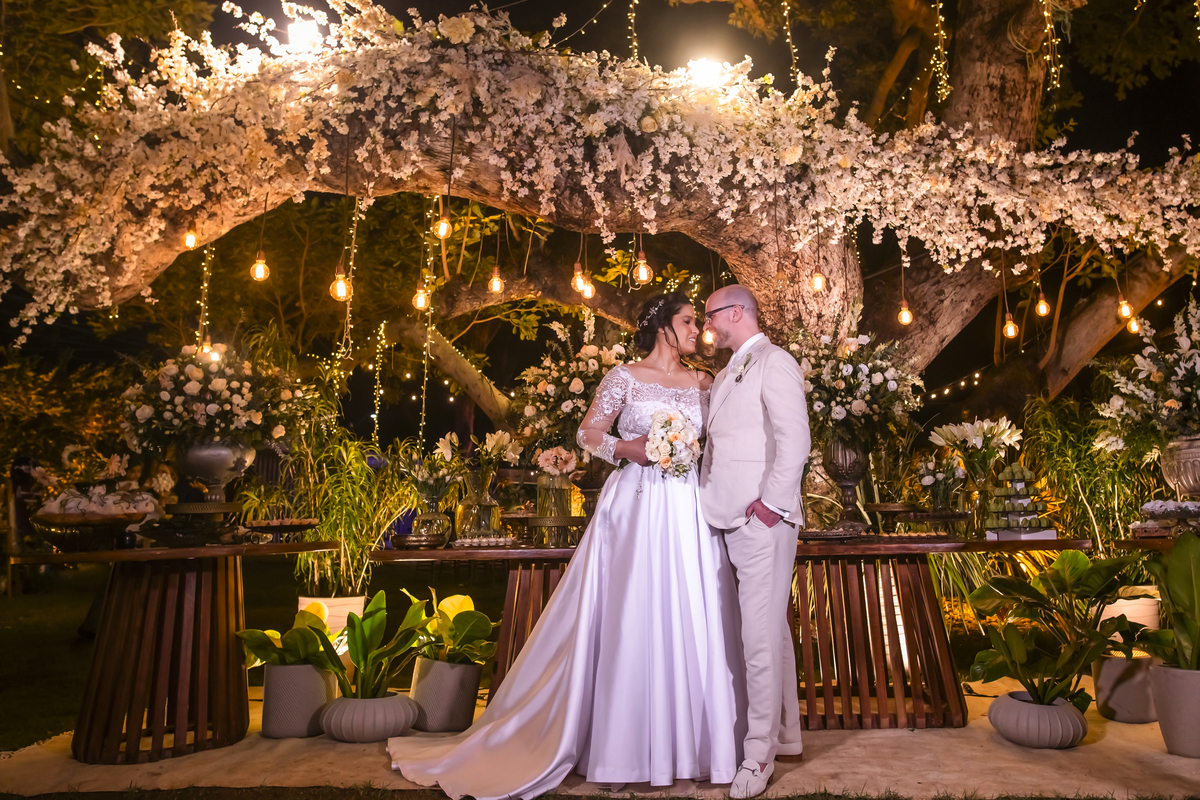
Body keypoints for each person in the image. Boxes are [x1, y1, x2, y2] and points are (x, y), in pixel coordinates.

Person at [388, 291, 747, 799]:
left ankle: (697, 746)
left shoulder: (704, 383)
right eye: (689, 321)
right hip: (636, 506)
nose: (698, 331)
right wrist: (632, 449)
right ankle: (622, 746)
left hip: (690, 509)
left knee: (694, 610)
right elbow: (588, 433)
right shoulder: (623, 377)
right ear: (663, 327)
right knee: (632, 614)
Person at [699, 284, 810, 799]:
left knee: (758, 639)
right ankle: (785, 736)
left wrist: (771, 506)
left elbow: (795, 440)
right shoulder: (724, 373)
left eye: (711, 315)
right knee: (770, 633)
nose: (707, 325)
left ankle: (757, 755)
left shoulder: (775, 361)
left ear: (736, 313)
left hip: (760, 519)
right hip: (721, 515)